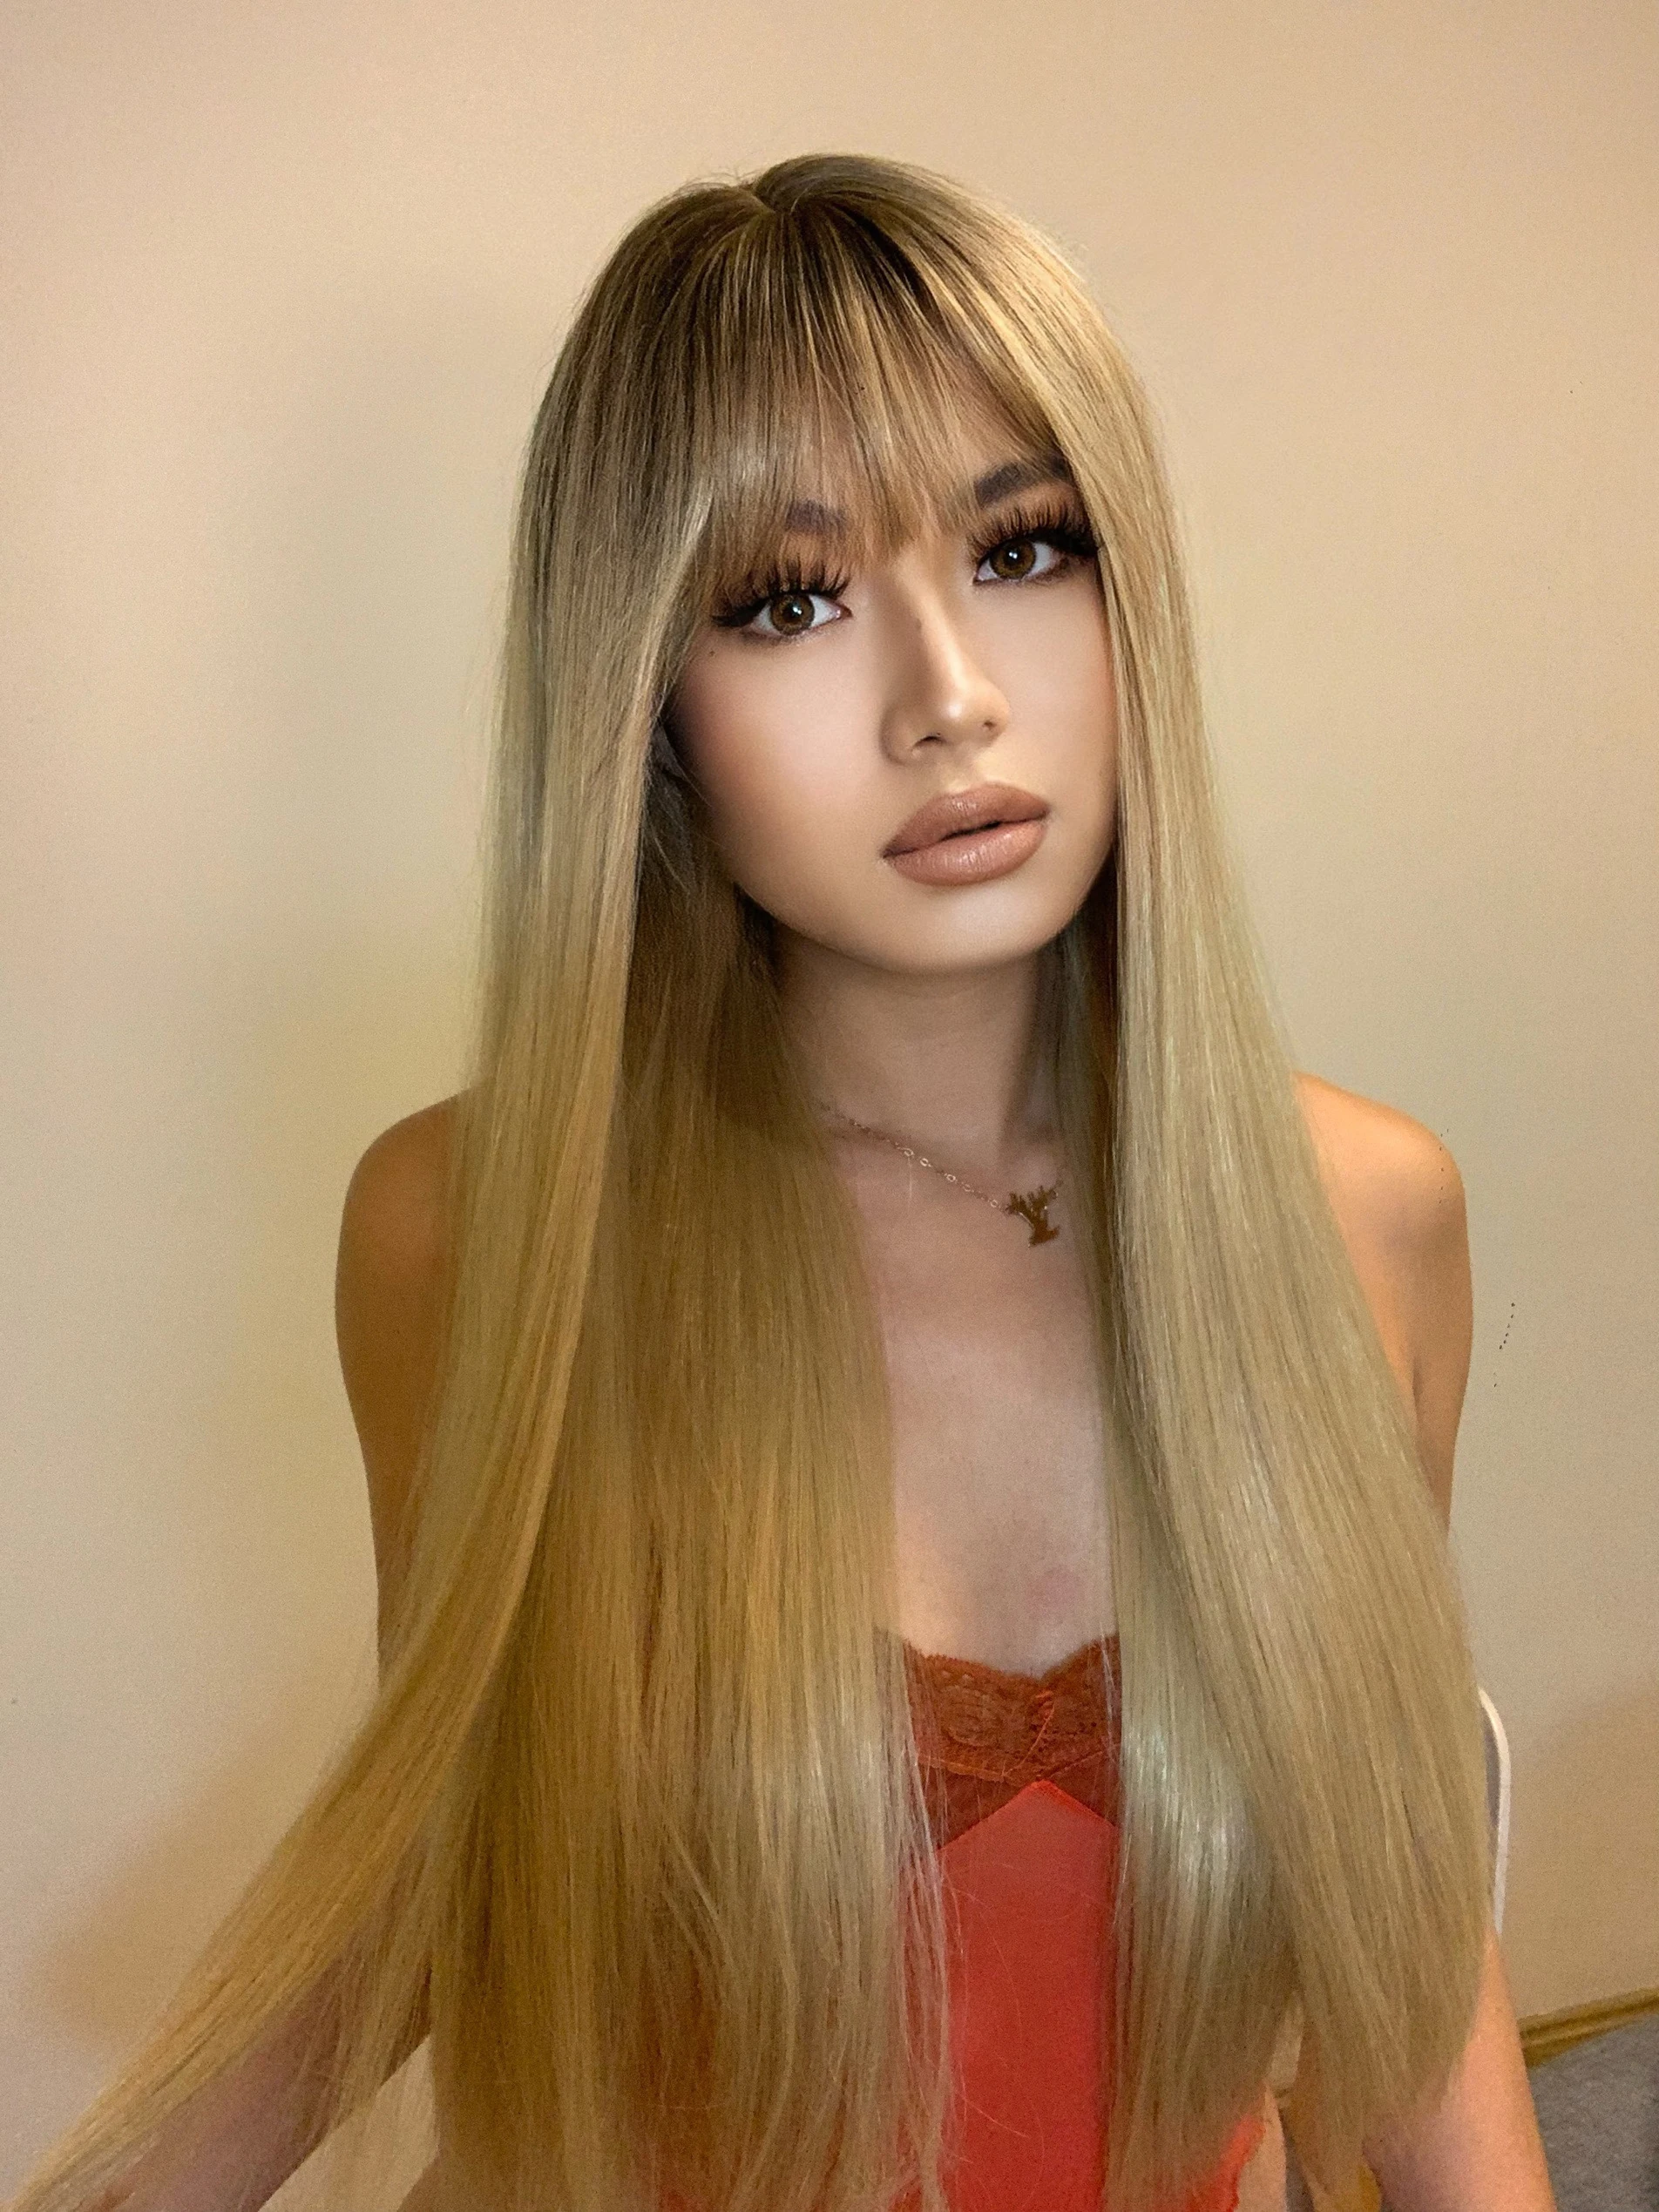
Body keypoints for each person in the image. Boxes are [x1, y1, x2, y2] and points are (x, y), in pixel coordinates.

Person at [12, 152, 1555, 2212]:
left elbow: (1400, 1929)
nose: (949, 696)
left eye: (1023, 548)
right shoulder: (480, 1232)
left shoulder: (1361, 1219)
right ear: (650, 704)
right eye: (788, 601)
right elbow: (448, 1850)